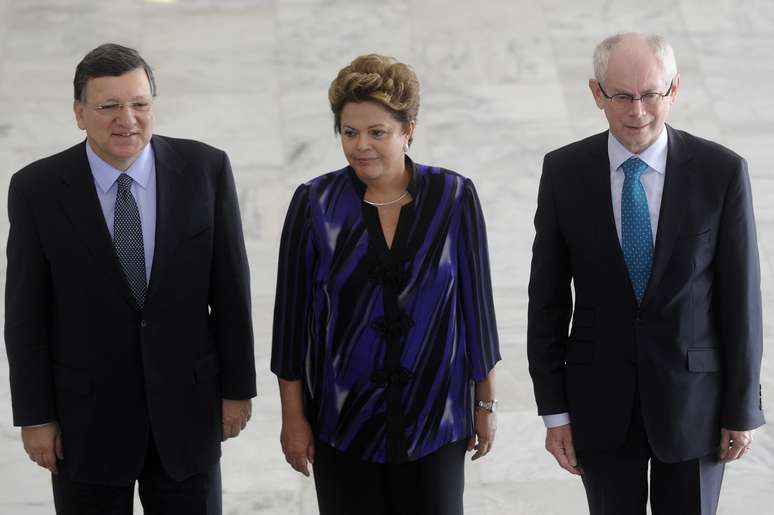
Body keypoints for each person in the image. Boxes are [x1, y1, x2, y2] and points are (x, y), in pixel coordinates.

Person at [4, 43, 256, 515]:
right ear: (79, 113)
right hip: (86, 423)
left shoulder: (207, 169)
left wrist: (237, 389)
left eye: (140, 103)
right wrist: (35, 417)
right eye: (109, 106)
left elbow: (231, 292)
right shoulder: (36, 189)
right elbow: (25, 315)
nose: (128, 118)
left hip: (188, 415)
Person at [527, 32, 765, 514]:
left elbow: (742, 302)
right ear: (596, 93)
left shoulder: (721, 172)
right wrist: (555, 412)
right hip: (599, 403)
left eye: (651, 95)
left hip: (696, 403)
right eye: (621, 96)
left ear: (673, 89)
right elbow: (547, 303)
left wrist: (742, 409)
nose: (637, 111)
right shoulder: (564, 172)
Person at [271, 54, 501, 515]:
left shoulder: (454, 196)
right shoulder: (315, 203)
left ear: (408, 129)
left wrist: (486, 406)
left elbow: (477, 309)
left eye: (377, 132)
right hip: (343, 420)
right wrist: (293, 418)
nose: (361, 146)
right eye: (350, 132)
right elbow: (291, 323)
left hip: (437, 418)